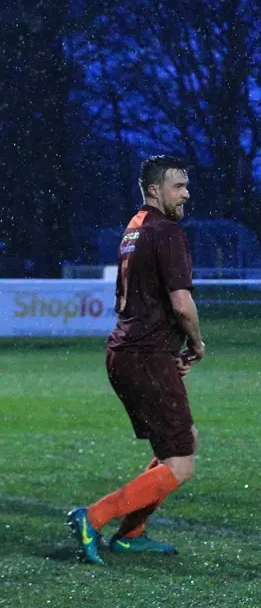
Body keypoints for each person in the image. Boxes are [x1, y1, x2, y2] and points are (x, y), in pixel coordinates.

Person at [67, 155, 204, 565]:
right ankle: (94, 516)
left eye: (186, 185)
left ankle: (132, 533)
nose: (186, 194)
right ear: (154, 190)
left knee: (180, 444)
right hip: (145, 356)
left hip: (128, 353)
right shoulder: (167, 232)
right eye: (178, 186)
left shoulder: (134, 228)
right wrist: (196, 343)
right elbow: (182, 304)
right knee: (181, 465)